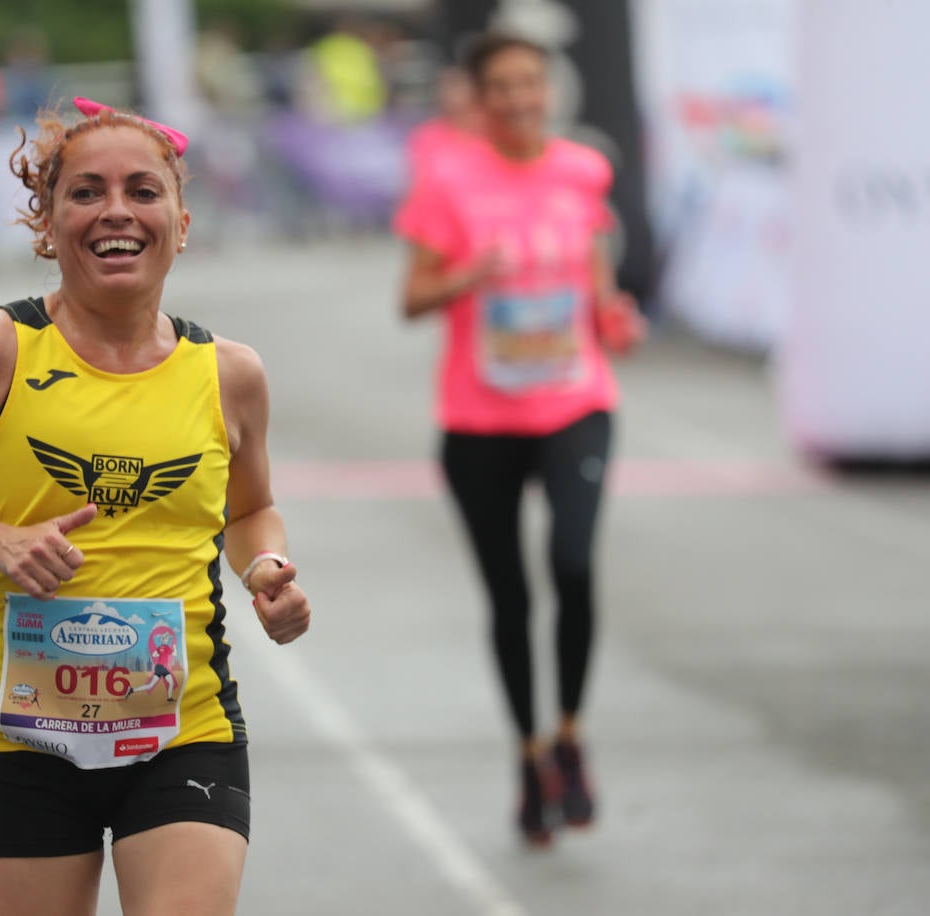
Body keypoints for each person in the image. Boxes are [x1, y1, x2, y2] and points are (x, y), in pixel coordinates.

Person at [0, 97, 312, 915]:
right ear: (48, 226)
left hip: (183, 723)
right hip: (19, 735)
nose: (116, 211)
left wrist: (266, 567)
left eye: (143, 190)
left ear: (182, 221)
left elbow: (250, 509)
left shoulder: (229, 373)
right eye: (86, 192)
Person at [392, 31, 644, 848]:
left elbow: (595, 276)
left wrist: (612, 315)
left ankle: (570, 732)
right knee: (511, 596)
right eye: (501, 86)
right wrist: (470, 275)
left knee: (573, 563)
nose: (518, 98)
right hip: (479, 419)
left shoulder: (583, 170)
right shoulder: (448, 179)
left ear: (549, 89)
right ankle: (529, 755)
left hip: (576, 403)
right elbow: (412, 297)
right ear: (480, 97)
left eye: (530, 82)